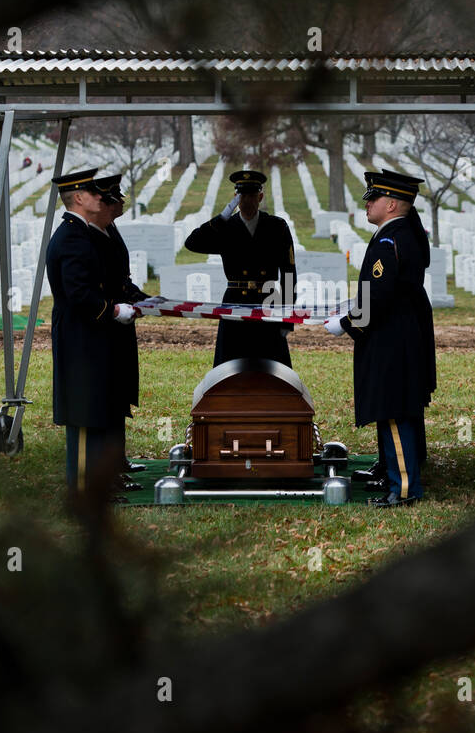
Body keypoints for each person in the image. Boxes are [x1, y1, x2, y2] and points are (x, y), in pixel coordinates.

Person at [323, 169, 436, 506]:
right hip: (399, 333)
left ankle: (403, 489)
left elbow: (380, 296)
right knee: (399, 408)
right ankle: (391, 472)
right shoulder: (399, 234)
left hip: (392, 337)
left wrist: (346, 323)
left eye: (373, 198)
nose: (368, 203)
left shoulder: (391, 239)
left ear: (391, 204)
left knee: (395, 410)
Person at [46, 168, 147, 496]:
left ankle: (104, 473)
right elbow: (78, 292)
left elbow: (113, 279)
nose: (106, 200)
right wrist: (115, 309)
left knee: (103, 401)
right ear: (78, 198)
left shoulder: (90, 232)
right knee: (85, 408)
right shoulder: (73, 236)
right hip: (81, 335)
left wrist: (141, 301)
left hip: (96, 333)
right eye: (96, 194)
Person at [183, 169, 297, 368]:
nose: (247, 201)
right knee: (231, 368)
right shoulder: (226, 227)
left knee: (271, 370)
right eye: (242, 195)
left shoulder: (276, 227)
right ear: (235, 197)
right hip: (235, 303)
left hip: (268, 302)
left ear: (260, 197)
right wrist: (223, 216)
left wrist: (287, 318)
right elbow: (192, 243)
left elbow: (289, 274)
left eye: (252, 195)